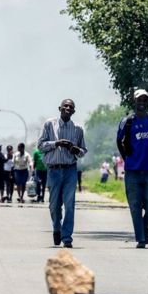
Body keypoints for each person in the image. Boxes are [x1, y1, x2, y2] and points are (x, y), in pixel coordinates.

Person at [116, 89, 148, 248]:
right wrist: (125, 157)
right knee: (135, 206)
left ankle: (144, 228)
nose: (142, 103)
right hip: (132, 172)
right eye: (139, 100)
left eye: (145, 100)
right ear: (134, 101)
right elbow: (119, 140)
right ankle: (141, 238)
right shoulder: (127, 121)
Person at [38, 98, 87, 248]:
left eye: (70, 107)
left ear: (73, 111)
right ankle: (56, 228)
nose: (67, 108)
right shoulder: (49, 124)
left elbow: (83, 151)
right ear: (59, 108)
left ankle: (67, 238)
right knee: (54, 205)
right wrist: (57, 143)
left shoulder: (78, 128)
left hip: (70, 170)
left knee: (69, 204)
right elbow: (40, 145)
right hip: (53, 170)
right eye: (65, 106)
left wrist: (75, 149)